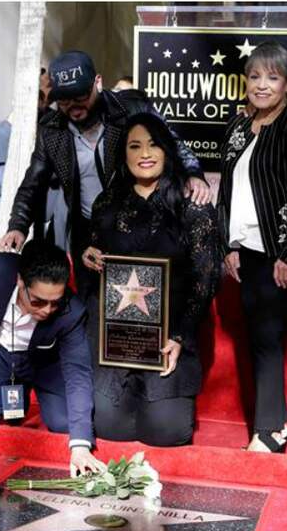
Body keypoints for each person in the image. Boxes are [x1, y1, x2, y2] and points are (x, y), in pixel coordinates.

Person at [0, 50, 212, 298]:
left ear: (97, 82)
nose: (74, 109)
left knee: (138, 298)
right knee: (93, 299)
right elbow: (32, 183)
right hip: (87, 229)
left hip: (134, 222)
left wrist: (194, 174)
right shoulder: (51, 128)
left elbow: (172, 144)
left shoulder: (130, 108)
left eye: (80, 98)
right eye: (64, 102)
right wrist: (18, 226)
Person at [81, 112, 220, 446]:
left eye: (154, 144)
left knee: (167, 433)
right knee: (110, 428)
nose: (145, 153)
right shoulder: (107, 203)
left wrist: (180, 336)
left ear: (167, 151)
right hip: (117, 339)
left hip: (169, 336)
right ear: (123, 154)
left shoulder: (192, 205)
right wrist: (90, 254)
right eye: (135, 146)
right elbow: (97, 251)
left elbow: (207, 277)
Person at [217, 42, 287, 453]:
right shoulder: (238, 126)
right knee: (258, 335)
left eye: (273, 77)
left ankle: (270, 429)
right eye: (255, 77)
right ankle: (272, 424)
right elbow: (227, 189)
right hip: (245, 250)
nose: (262, 85)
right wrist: (228, 243)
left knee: (266, 334)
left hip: (283, 251)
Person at [0, 239, 105, 476]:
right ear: (20, 281)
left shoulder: (73, 311)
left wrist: (80, 446)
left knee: (64, 423)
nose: (46, 310)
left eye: (55, 302)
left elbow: (78, 372)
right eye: (38, 301)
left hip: (44, 362)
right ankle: (16, 391)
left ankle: (26, 390)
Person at [0, 69, 54, 243]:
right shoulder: (4, 132)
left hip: (20, 203)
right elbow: (6, 177)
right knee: (8, 257)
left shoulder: (29, 134)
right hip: (2, 203)